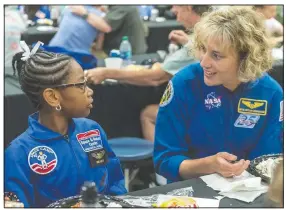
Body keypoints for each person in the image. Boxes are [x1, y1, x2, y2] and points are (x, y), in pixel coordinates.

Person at [153, 6, 283, 183]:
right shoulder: (183, 84)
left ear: (245, 58)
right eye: (203, 49)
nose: (204, 62)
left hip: (248, 192)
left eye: (216, 55)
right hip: (190, 194)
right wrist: (207, 165)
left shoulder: (271, 93)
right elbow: (164, 159)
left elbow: (269, 161)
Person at [5, 41, 127, 207]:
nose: (90, 92)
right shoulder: (19, 153)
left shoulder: (92, 130)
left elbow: (115, 183)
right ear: (53, 97)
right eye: (81, 85)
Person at [85, 6, 211, 141]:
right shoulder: (209, 33)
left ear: (188, 7)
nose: (177, 17)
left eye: (177, 11)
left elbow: (155, 78)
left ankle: (162, 159)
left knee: (148, 114)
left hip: (205, 109)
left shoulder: (196, 46)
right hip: (214, 103)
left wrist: (106, 73)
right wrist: (188, 42)